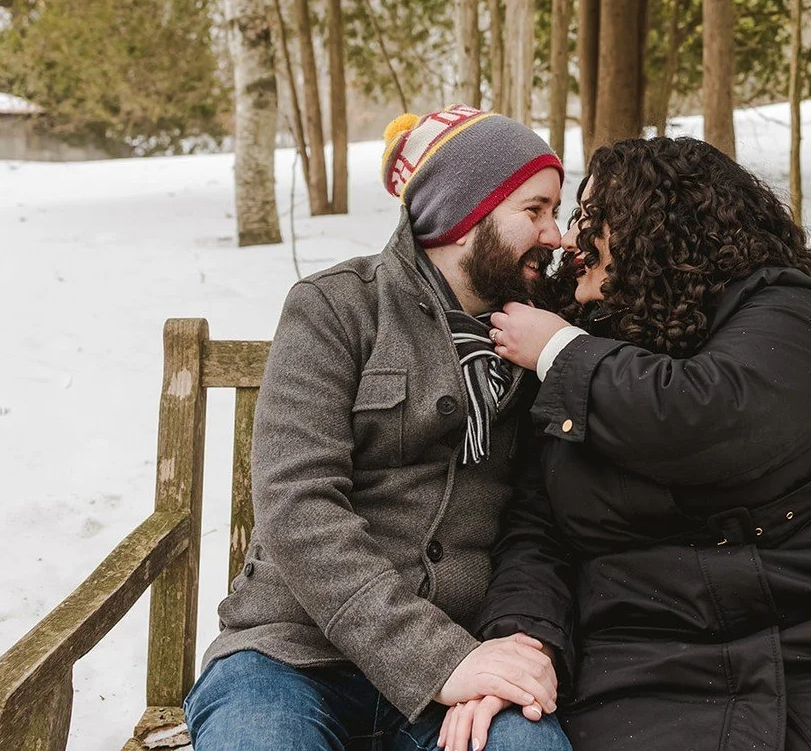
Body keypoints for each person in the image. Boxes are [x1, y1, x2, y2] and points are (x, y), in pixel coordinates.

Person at [449, 136, 811, 751]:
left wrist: (559, 352)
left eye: (591, 218)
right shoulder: (566, 339)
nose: (572, 241)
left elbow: (713, 417)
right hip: (648, 664)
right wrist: (524, 638)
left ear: (653, 224)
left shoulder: (784, 305)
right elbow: (536, 525)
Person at [185, 105, 575, 751]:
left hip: (462, 668)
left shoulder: (539, 341)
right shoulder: (337, 309)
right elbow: (298, 508)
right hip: (289, 652)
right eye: (534, 211)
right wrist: (440, 659)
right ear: (462, 214)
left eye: (554, 212)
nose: (555, 234)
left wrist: (506, 649)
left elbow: (548, 520)